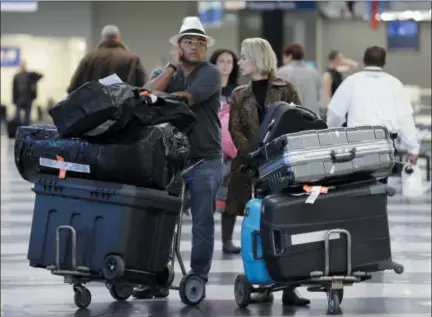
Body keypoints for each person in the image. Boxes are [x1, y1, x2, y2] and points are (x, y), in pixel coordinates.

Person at [133, 17, 223, 300]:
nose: (195, 46)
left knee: (202, 221)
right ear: (178, 46)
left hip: (204, 158)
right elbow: (144, 93)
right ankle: (156, 275)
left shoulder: (210, 73)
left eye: (200, 42)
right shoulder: (168, 71)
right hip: (170, 160)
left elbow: (185, 99)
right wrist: (171, 67)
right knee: (161, 219)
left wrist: (158, 98)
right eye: (189, 41)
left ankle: (198, 276)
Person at [225, 37, 310, 306]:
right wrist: (253, 153)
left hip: (280, 166)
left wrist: (273, 153)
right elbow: (234, 128)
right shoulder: (240, 93)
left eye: (243, 57)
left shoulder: (286, 89)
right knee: (254, 224)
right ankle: (260, 279)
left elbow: (298, 121)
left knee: (284, 222)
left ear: (257, 58)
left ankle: (289, 286)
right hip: (249, 167)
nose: (240, 62)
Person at [326, 45, 419, 169]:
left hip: (356, 146)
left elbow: (335, 113)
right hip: (385, 146)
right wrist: (413, 148)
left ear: (364, 60)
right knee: (381, 182)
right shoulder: (394, 84)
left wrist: (332, 137)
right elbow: (404, 118)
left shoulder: (351, 82)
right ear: (384, 62)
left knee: (358, 182)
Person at [209, 48, 241, 254]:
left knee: (229, 197)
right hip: (210, 150)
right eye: (221, 61)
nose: (226, 65)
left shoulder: (237, 91)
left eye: (229, 61)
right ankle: (205, 240)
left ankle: (226, 240)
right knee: (207, 198)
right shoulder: (207, 88)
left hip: (232, 153)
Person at [67, 25, 147, 93]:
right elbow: (142, 86)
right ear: (118, 37)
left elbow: (73, 87)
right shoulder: (132, 59)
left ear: (103, 38)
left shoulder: (89, 58)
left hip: (93, 107)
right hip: (123, 108)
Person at [276, 43, 321, 115]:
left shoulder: (282, 72)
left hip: (292, 117)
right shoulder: (314, 72)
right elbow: (318, 97)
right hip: (313, 117)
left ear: (289, 56)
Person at [12, 61, 43, 125]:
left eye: (24, 65)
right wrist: (14, 100)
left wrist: (34, 75)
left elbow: (40, 76)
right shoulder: (17, 76)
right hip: (19, 99)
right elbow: (14, 88)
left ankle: (25, 130)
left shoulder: (30, 75)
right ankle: (16, 129)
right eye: (22, 66)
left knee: (27, 117)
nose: (23, 67)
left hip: (28, 98)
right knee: (17, 116)